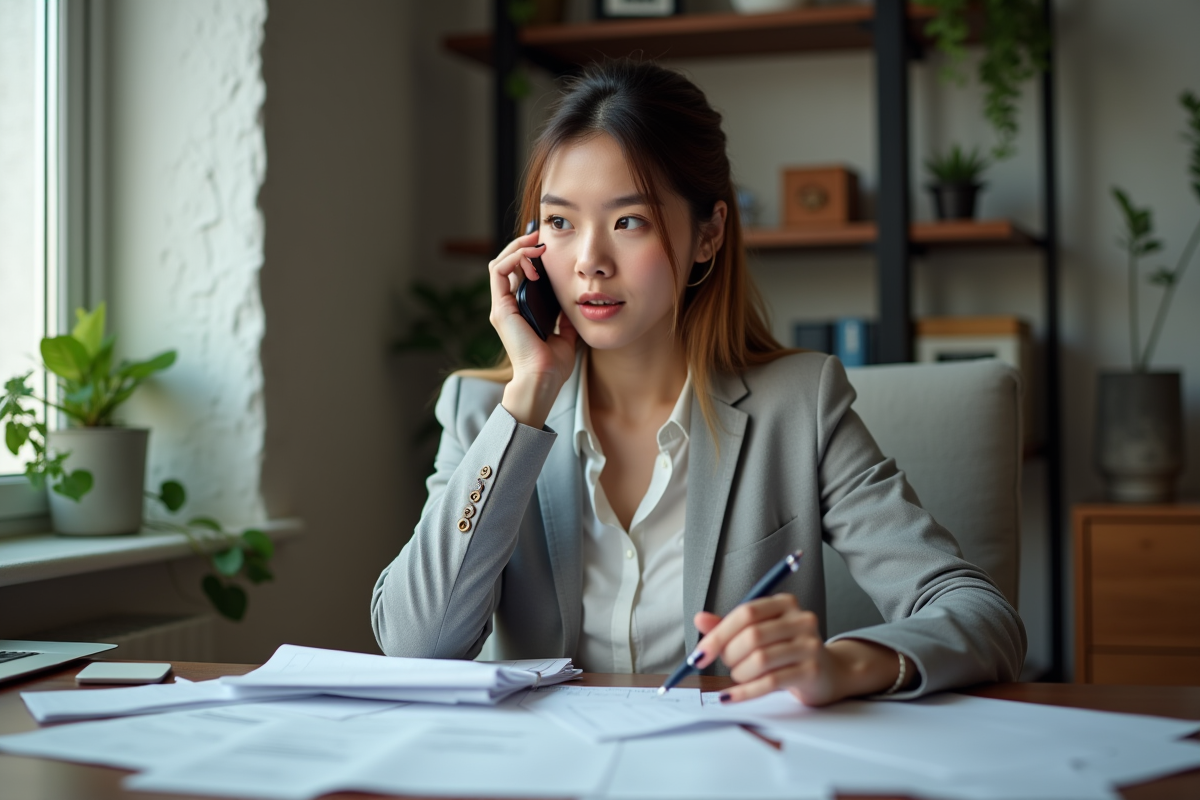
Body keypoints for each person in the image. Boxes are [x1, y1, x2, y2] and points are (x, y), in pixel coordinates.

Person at [372, 58, 1025, 705]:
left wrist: (840, 665)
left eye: (629, 221)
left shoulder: (799, 407)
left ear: (708, 234)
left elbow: (981, 615)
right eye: (560, 222)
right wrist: (528, 397)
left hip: (729, 753)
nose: (590, 262)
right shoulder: (486, 412)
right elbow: (414, 645)